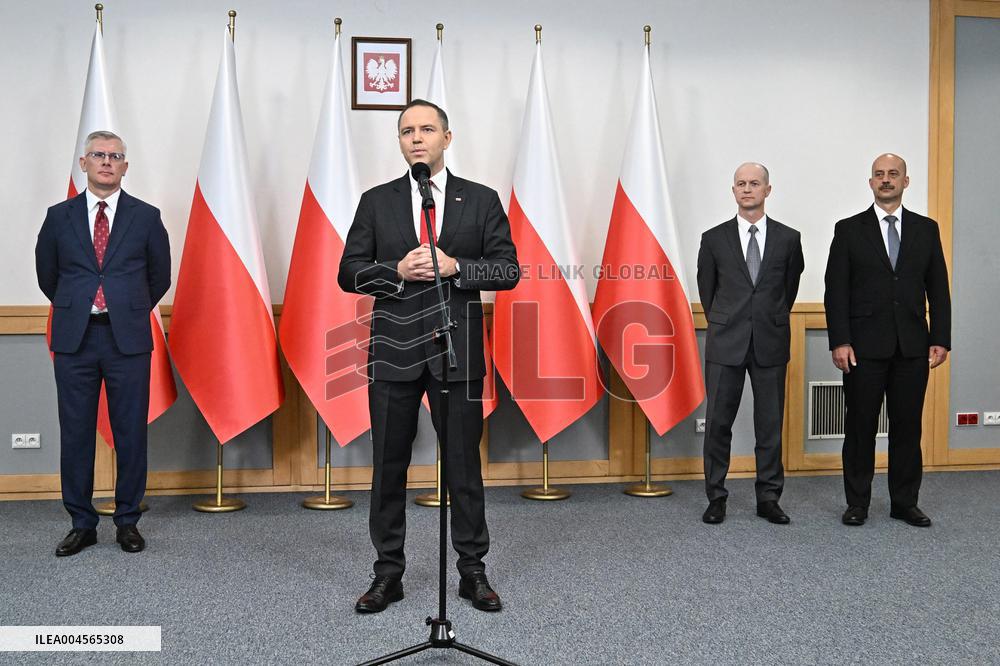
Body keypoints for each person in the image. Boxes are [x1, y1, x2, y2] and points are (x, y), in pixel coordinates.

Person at [338, 99, 519, 613]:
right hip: (393, 352)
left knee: (463, 467)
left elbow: (508, 271)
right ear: (400, 142)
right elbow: (349, 272)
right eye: (406, 131)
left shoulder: (480, 200)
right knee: (387, 466)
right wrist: (397, 270)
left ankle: (472, 571)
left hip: (456, 353)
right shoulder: (377, 201)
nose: (415, 138)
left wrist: (456, 266)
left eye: (426, 129)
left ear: (447, 137)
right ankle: (387, 574)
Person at [35, 130, 171, 556]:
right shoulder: (59, 216)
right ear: (84, 163)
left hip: (126, 339)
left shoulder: (146, 216)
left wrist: (125, 309)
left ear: (125, 166)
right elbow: (48, 275)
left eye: (115, 156)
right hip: (75, 339)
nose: (107, 162)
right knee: (75, 433)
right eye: (99, 155)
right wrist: (79, 305)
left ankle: (127, 520)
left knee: (130, 432)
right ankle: (81, 522)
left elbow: (159, 277)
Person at [824, 153, 950, 527]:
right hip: (862, 347)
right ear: (870, 183)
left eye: (893, 174)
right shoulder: (848, 229)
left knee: (908, 427)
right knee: (860, 427)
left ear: (905, 182)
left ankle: (904, 503)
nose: (886, 180)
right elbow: (836, 291)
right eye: (879, 175)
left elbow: (938, 289)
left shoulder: (926, 229)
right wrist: (840, 341)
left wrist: (940, 337)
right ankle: (857, 504)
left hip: (912, 346)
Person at [696, 163, 804, 525]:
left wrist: (766, 318)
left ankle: (769, 497)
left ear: (767, 190)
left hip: (770, 341)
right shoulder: (713, 238)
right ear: (733, 191)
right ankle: (716, 496)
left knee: (770, 423)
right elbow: (707, 291)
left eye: (754, 183)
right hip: (726, 341)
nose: (747, 189)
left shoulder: (789, 238)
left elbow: (789, 290)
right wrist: (728, 321)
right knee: (718, 423)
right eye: (741, 184)